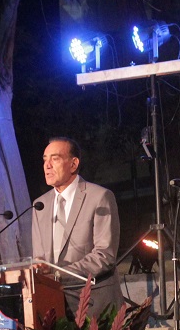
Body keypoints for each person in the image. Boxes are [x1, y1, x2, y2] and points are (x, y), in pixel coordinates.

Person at [31, 136, 123, 319]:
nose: (47, 165)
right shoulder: (40, 205)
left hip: (94, 303)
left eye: (55, 159)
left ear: (73, 164)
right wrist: (39, 268)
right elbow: (39, 257)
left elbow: (104, 255)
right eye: (45, 159)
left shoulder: (100, 197)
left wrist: (58, 274)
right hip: (54, 304)